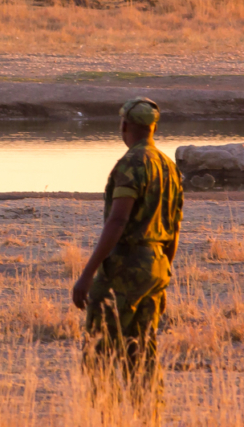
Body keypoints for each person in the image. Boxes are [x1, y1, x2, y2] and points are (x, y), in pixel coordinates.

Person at [71, 97, 184, 414]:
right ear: (154, 127)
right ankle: (149, 416)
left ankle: (103, 416)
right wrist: (163, 271)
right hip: (157, 265)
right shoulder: (169, 167)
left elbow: (118, 219)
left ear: (124, 126)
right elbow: (173, 227)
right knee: (143, 350)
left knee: (101, 351)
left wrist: (88, 273)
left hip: (125, 266)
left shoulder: (131, 164)